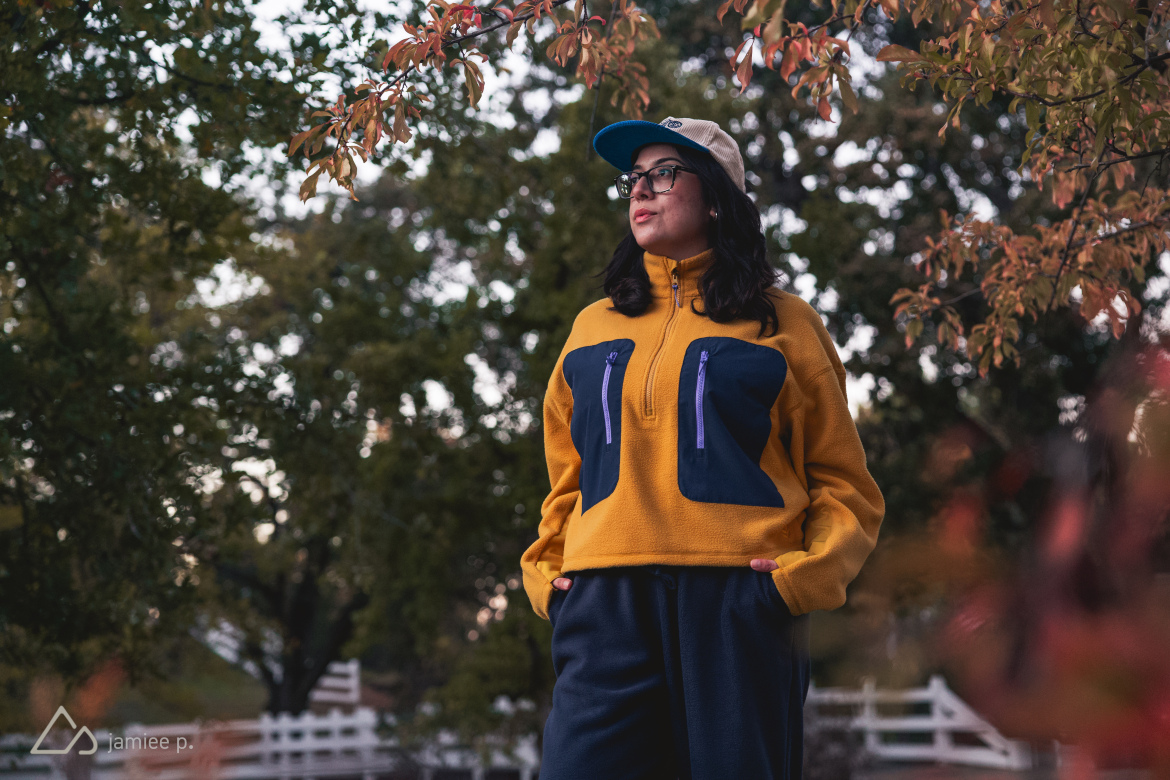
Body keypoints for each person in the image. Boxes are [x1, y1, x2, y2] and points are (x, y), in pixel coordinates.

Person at [520, 115, 885, 780]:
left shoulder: (784, 323)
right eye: (633, 179)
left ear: (716, 197)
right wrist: (549, 577)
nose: (640, 191)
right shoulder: (592, 326)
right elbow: (566, 475)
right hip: (605, 602)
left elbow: (843, 483)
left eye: (664, 174)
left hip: (739, 605)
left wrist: (797, 583)